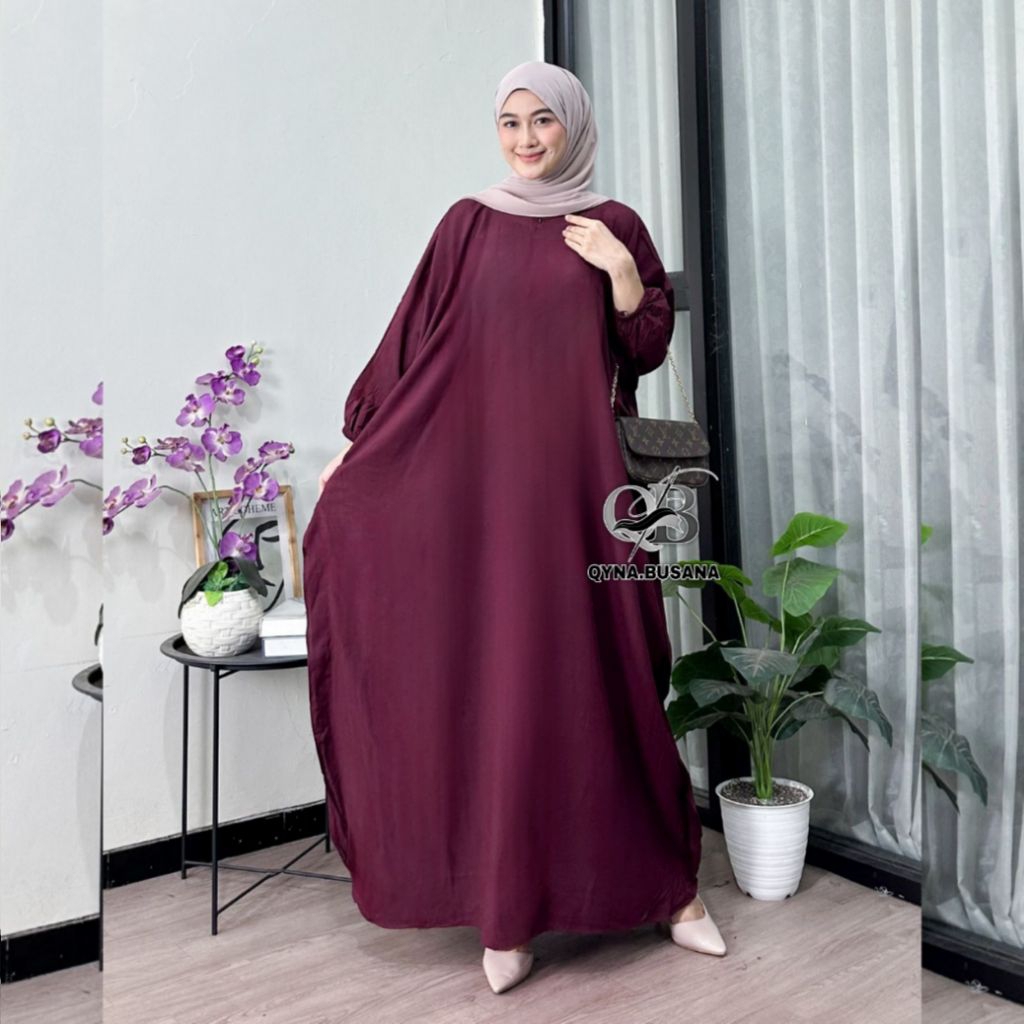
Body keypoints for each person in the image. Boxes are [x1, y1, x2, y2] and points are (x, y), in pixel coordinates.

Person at [302, 60, 727, 997]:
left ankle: (670, 890)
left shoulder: (613, 224)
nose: (528, 139)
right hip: (484, 497)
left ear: (574, 125)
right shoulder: (467, 225)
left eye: (544, 121)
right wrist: (359, 446)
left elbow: (645, 349)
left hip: (584, 491)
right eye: (511, 122)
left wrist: (623, 274)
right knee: (504, 686)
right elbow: (413, 343)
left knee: (609, 677)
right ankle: (510, 911)